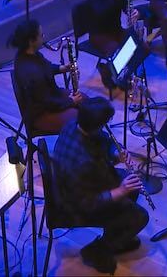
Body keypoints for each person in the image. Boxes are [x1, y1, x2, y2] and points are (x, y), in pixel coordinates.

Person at [53, 96, 149, 274]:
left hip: (89, 181)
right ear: (96, 126)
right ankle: (97, 250)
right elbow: (87, 203)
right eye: (106, 122)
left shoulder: (73, 125)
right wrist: (121, 190)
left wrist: (115, 155)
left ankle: (116, 233)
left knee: (131, 185)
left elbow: (103, 142)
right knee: (141, 217)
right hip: (76, 205)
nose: (107, 125)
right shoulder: (82, 162)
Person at [10, 19, 83, 133]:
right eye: (41, 35)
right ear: (31, 41)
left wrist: (63, 68)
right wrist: (70, 102)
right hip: (41, 114)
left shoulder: (28, 54)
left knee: (86, 101)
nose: (43, 38)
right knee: (80, 117)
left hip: (51, 98)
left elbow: (46, 67)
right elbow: (47, 102)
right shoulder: (31, 72)